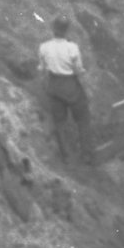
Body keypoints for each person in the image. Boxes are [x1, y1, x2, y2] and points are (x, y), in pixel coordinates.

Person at [38, 16, 93, 163]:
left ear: (53, 29)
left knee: (59, 122)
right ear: (66, 31)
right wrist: (84, 80)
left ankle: (66, 156)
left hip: (54, 86)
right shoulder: (72, 48)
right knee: (83, 119)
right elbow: (78, 70)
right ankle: (86, 154)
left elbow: (42, 68)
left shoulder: (44, 47)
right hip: (70, 85)